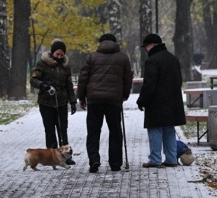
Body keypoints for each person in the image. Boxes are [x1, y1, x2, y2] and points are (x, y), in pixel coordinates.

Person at [76, 33, 133, 173]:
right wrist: (124, 95)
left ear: (100, 43)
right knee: (115, 131)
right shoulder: (123, 57)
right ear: (115, 42)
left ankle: (94, 160)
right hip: (114, 100)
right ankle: (115, 163)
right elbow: (127, 78)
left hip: (94, 99)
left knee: (93, 131)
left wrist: (81, 97)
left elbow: (83, 78)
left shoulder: (91, 57)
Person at [137, 33, 186, 168]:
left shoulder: (152, 61)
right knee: (169, 129)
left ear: (151, 45)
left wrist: (141, 101)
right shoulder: (173, 59)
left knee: (155, 130)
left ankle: (155, 159)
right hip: (172, 101)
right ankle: (171, 159)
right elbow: (179, 81)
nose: (146, 49)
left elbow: (149, 84)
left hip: (156, 102)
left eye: (146, 46)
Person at [30, 39, 77, 165]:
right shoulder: (42, 64)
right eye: (57, 54)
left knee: (63, 129)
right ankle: (52, 157)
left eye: (62, 55)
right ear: (52, 53)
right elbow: (33, 80)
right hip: (46, 102)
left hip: (61, 101)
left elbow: (69, 84)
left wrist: (73, 101)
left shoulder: (65, 67)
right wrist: (43, 85)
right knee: (50, 130)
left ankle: (66, 156)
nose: (60, 57)